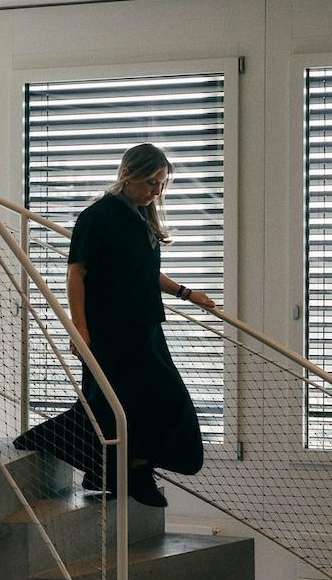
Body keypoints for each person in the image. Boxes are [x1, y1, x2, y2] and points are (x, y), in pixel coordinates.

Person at [14, 143, 215, 507]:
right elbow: (76, 273)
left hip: (145, 327)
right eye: (152, 182)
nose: (157, 191)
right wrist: (80, 329)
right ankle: (116, 466)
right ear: (128, 175)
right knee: (119, 404)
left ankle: (117, 471)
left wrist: (187, 293)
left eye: (162, 184)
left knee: (149, 403)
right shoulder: (98, 216)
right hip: (110, 330)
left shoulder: (142, 217)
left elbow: (147, 272)